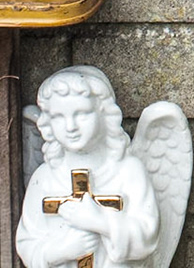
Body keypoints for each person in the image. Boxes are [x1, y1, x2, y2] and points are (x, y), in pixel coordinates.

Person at [16, 69, 162, 268]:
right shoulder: (45, 177)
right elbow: (27, 242)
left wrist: (99, 221)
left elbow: (147, 235)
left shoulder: (128, 171)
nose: (70, 127)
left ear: (104, 114)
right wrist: (61, 250)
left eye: (82, 114)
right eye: (59, 117)